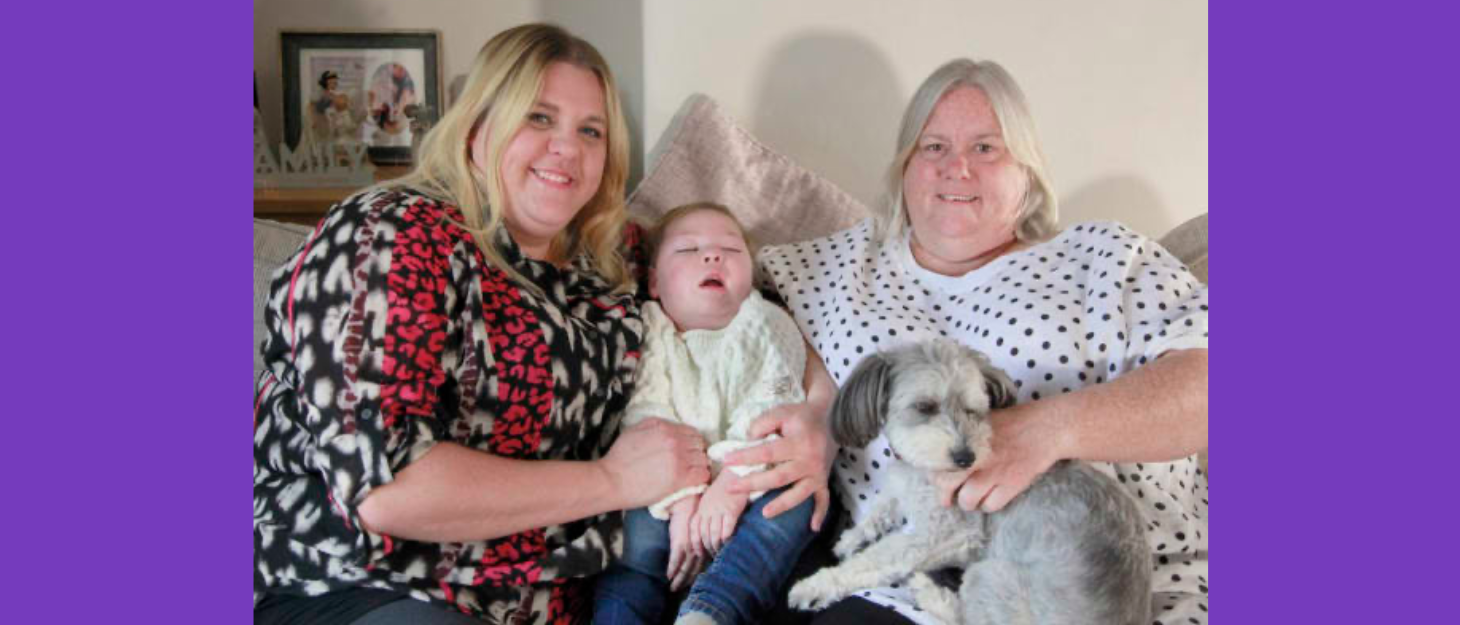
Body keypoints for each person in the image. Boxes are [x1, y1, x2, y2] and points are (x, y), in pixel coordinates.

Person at [254, 24, 835, 625]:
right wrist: (613, 480)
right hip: (373, 584)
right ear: (478, 124)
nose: (568, 148)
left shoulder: (616, 258)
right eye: (539, 118)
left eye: (591, 131)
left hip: (563, 600)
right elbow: (387, 489)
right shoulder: (389, 234)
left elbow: (760, 317)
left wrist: (818, 422)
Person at [757, 58, 1209, 624]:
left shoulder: (1102, 257)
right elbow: (726, 297)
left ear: (1028, 172)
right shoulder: (843, 265)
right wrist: (821, 409)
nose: (957, 168)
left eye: (986, 148)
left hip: (1105, 589)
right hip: (905, 592)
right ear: (904, 169)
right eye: (933, 147)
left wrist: (1049, 429)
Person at [592, 204, 822, 625]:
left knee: (796, 500)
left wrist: (729, 490)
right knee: (631, 553)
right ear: (655, 282)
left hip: (745, 489)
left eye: (731, 250)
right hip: (663, 492)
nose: (713, 256)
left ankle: (712, 608)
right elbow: (647, 412)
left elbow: (771, 411)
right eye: (689, 250)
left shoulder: (769, 323)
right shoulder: (647, 324)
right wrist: (684, 500)